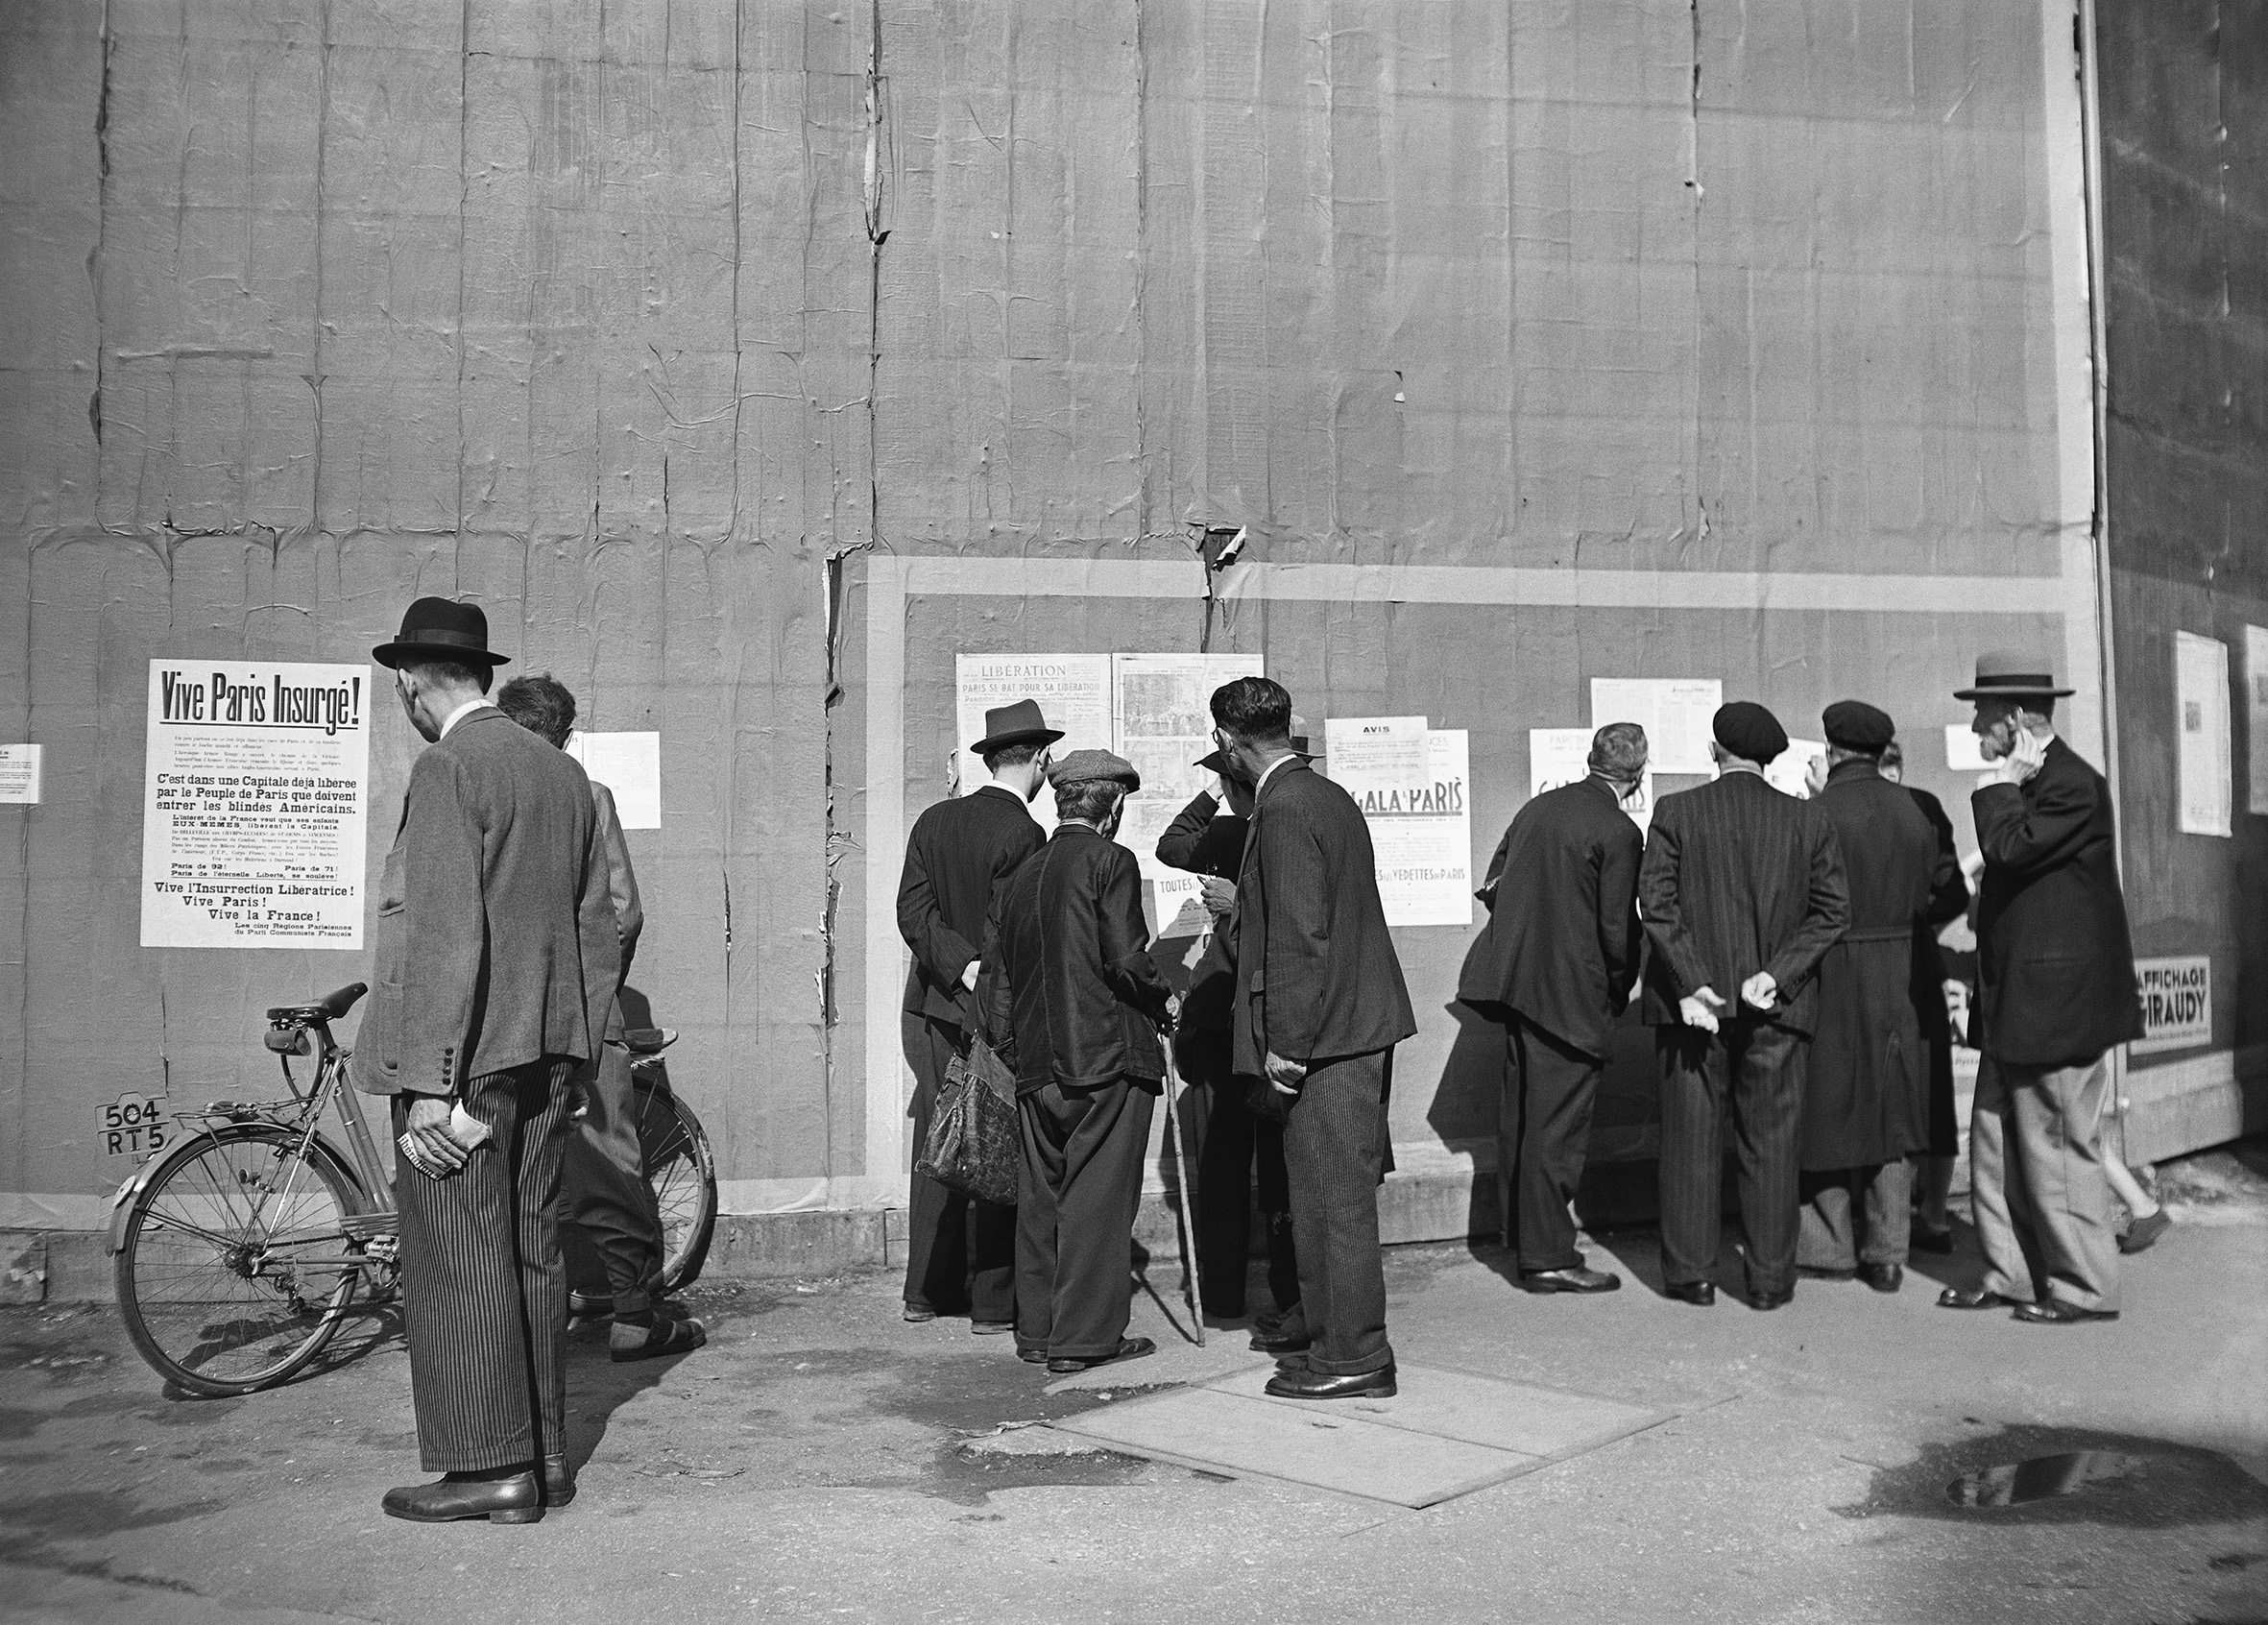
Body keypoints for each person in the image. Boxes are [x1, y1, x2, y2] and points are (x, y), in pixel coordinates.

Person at [355, 598, 620, 1524]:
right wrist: (577, 1057)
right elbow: (596, 927)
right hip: (547, 1061)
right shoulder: (559, 774)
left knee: (459, 1258)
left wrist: (433, 1086)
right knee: (532, 1255)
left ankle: (486, 1470)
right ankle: (543, 1459)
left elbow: (440, 936)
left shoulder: (448, 766)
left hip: (465, 1068)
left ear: (411, 681)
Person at [1211, 678, 1416, 1399]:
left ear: (1227, 744)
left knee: (1333, 1205)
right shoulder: (1321, 795)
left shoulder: (1288, 807)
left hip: (1327, 1036)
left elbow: (1302, 938)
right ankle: (1336, 1341)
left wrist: (1288, 1046)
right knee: (1327, 1199)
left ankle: (1355, 1357)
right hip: (1350, 1025)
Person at [495, 674, 704, 1362]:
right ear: (566, 733)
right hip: (581, 1014)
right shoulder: (586, 795)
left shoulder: (476, 787)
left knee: (507, 1161)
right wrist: (592, 987)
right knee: (610, 1160)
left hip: (497, 1020)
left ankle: (515, 1320)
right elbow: (623, 911)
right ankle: (635, 1314)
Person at [1940, 652, 2140, 1323]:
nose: (1974, 729)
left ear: (2021, 720)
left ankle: (2083, 1285)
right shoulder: (2038, 782)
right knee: (1995, 1139)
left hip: (2058, 1005)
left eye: (1983, 716)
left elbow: (2012, 850)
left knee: (2056, 1143)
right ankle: (2012, 1274)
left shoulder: (2071, 785)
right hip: (2017, 999)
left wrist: (2000, 782)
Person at [1639, 701, 1849, 1311]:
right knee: (1773, 1145)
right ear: (1773, 756)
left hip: (1691, 1008)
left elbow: (1658, 906)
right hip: (1777, 1009)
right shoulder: (1808, 821)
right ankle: (1768, 1281)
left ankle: (1691, 1275)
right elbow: (1833, 912)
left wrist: (1697, 979)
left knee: (1689, 1142)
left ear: (1713, 751)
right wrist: (1776, 976)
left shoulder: (1676, 811)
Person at [977, 749, 1172, 1374]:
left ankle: (1038, 1330)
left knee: (1042, 1198)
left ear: (1063, 801)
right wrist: (1163, 995)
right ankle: (1084, 1338)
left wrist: (1013, 1051)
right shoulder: (1109, 860)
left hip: (1038, 1065)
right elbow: (1125, 958)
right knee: (1097, 1199)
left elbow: (998, 989)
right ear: (1111, 807)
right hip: (1106, 1059)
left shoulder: (1024, 875)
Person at [1458, 721, 1649, 1294]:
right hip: (1570, 997)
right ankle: (1547, 1257)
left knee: (1523, 1119)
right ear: (1638, 776)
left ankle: (1524, 1238)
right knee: (1556, 1130)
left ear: (1591, 759)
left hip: (1519, 989)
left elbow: (1492, 884)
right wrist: (1618, 990)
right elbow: (1619, 931)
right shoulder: (1619, 830)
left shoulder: (1537, 809)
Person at [894, 699, 1056, 1330]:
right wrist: (978, 973)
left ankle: (925, 1292)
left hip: (932, 1009)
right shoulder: (1024, 835)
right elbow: (1013, 929)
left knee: (939, 1138)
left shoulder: (934, 821)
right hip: (994, 1012)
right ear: (1039, 761)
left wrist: (954, 964)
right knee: (995, 1139)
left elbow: (912, 913)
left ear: (988, 759)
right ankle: (992, 1303)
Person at [1795, 703, 1966, 1294]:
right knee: (1895, 1107)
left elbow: (1798, 903)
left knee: (1830, 1102)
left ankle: (1829, 1244)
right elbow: (1947, 892)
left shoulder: (1814, 813)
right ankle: (1889, 1251)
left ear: (1832, 748)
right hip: (1906, 970)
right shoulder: (1916, 811)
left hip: (1835, 968)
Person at [1155, 752, 1301, 1331]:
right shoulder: (1277, 827)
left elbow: (1171, 843)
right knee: (1278, 1168)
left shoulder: (1229, 830)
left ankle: (1221, 1294)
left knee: (1224, 1167)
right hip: (1270, 1025)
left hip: (1228, 1025)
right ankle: (1289, 1294)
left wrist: (1210, 797)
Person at [1874, 740, 1970, 1252]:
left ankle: (1887, 1215)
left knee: (1875, 1086)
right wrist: (1917, 916)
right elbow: (1954, 891)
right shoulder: (1924, 807)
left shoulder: (1844, 804)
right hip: (1918, 958)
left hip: (1864, 964)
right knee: (1932, 1091)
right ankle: (1933, 1214)